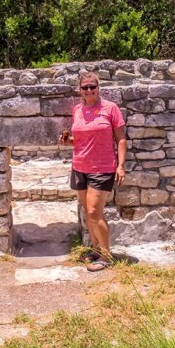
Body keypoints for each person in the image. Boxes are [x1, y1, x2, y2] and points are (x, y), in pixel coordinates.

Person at [58, 70, 127, 271]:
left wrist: (121, 166)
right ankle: (96, 250)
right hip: (80, 166)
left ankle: (106, 257)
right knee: (88, 213)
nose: (89, 90)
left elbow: (121, 139)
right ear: (80, 90)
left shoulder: (110, 108)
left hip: (103, 168)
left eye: (92, 86)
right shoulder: (77, 110)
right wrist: (68, 141)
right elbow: (79, 139)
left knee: (94, 212)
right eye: (85, 87)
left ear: (98, 88)